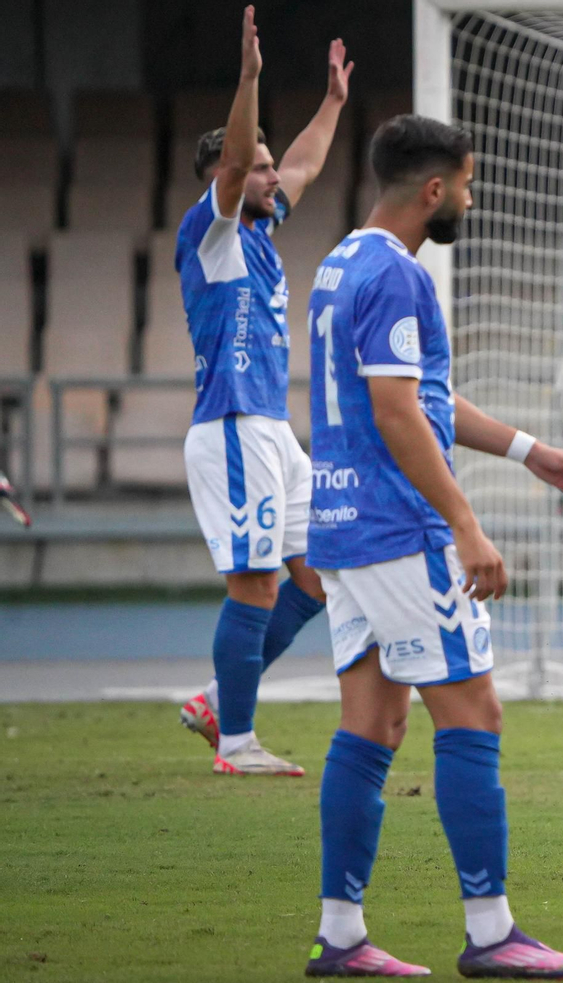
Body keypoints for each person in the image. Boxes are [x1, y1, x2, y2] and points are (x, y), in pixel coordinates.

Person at [302, 113, 563, 979]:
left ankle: (342, 933)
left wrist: (528, 449)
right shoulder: (399, 277)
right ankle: (491, 932)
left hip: (342, 528)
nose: (469, 198)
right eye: (466, 184)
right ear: (434, 190)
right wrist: (467, 526)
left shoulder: (341, 263)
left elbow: (420, 396)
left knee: (372, 722)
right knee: (473, 712)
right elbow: (399, 412)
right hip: (401, 530)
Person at [176, 5, 353, 776]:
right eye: (261, 165)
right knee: (252, 582)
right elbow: (239, 157)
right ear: (230, 175)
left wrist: (333, 104)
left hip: (271, 428)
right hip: (231, 424)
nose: (276, 175)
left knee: (315, 574)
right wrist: (248, 77)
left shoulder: (255, 229)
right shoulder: (209, 233)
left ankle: (220, 698)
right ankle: (237, 741)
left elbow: (307, 166)